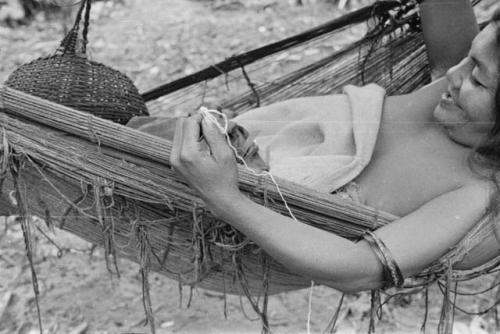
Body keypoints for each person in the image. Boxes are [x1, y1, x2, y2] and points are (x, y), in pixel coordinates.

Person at [169, 0, 500, 293]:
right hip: (220, 143)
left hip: (236, 215)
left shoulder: (476, 195)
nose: (455, 73)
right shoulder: (455, 87)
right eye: (470, 55)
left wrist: (225, 198)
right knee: (124, 121)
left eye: (477, 80)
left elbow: (360, 269)